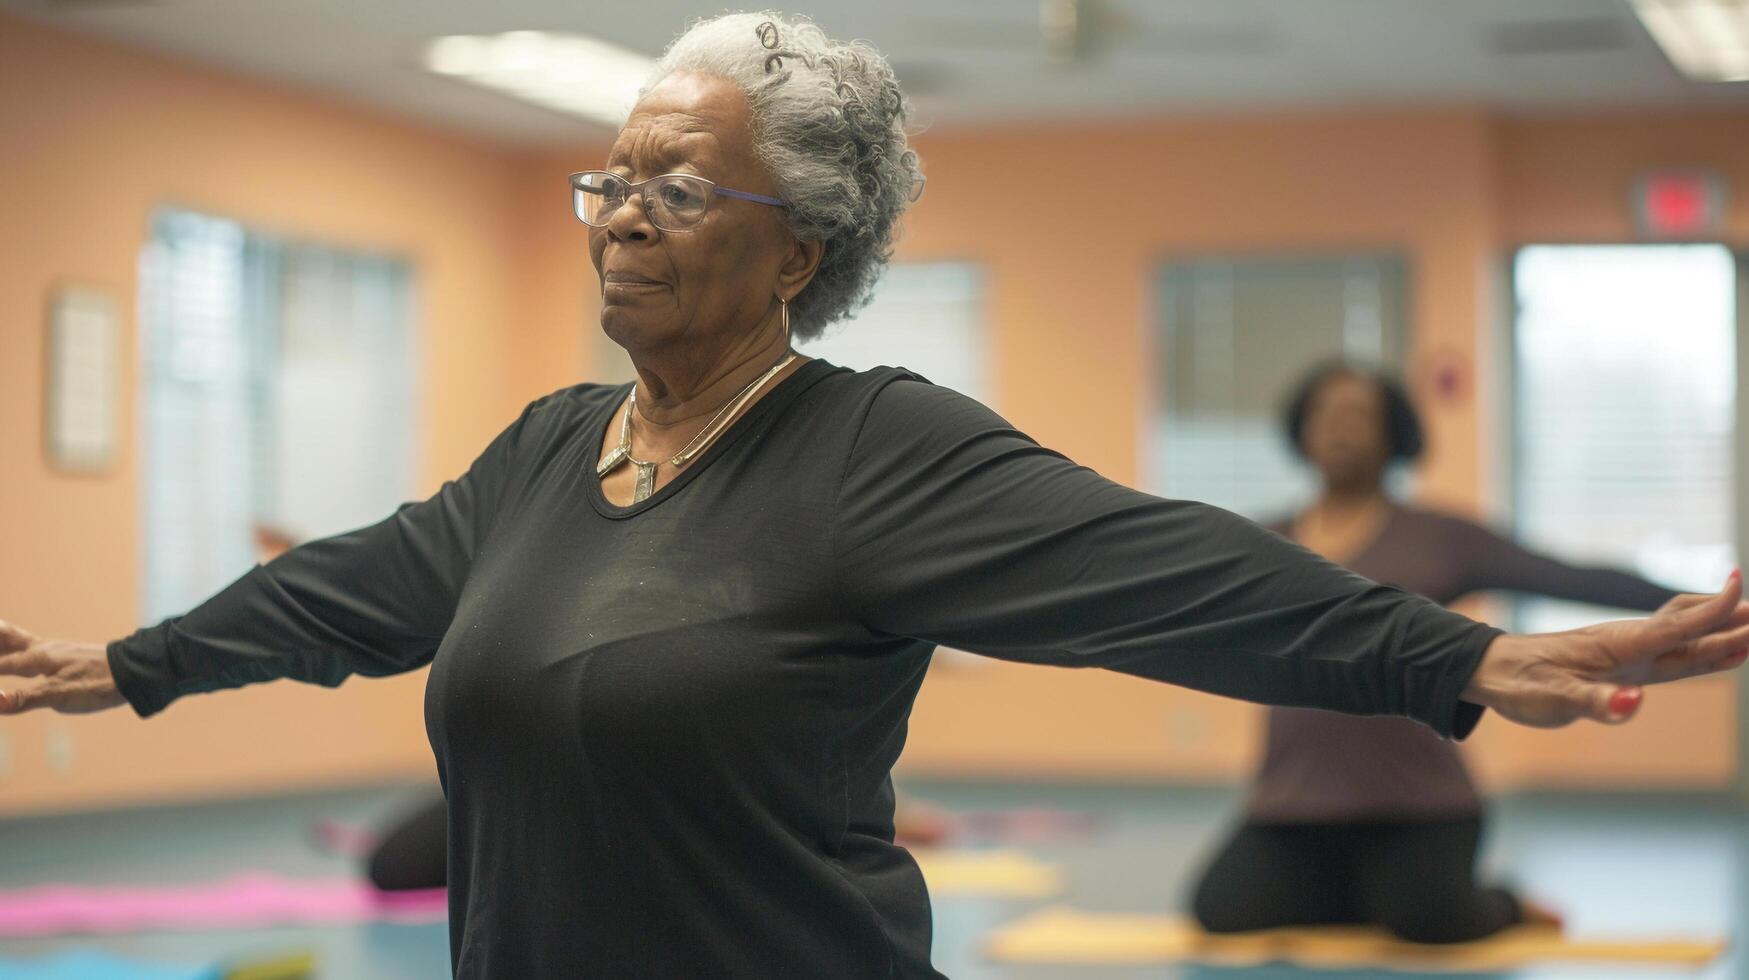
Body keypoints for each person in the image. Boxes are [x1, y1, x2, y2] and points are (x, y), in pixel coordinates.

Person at [2, 14, 1746, 978]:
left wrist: (1451, 658)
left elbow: (1156, 569)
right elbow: (367, 584)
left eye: (677, 188)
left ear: (797, 253)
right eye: (609, 178)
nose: (620, 212)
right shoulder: (550, 447)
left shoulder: (874, 455)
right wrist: (129, 664)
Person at [1190, 362, 1685, 944]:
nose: (1339, 428)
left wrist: (1689, 602)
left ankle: (1503, 902)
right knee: (1222, 913)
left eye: (1358, 415)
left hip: (1419, 802)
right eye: (1325, 413)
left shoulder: (1439, 537)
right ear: (1301, 429)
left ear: (1392, 434)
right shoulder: (1265, 540)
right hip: (1293, 801)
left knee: (1433, 922)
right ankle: (1374, 893)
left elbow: (1561, 573)